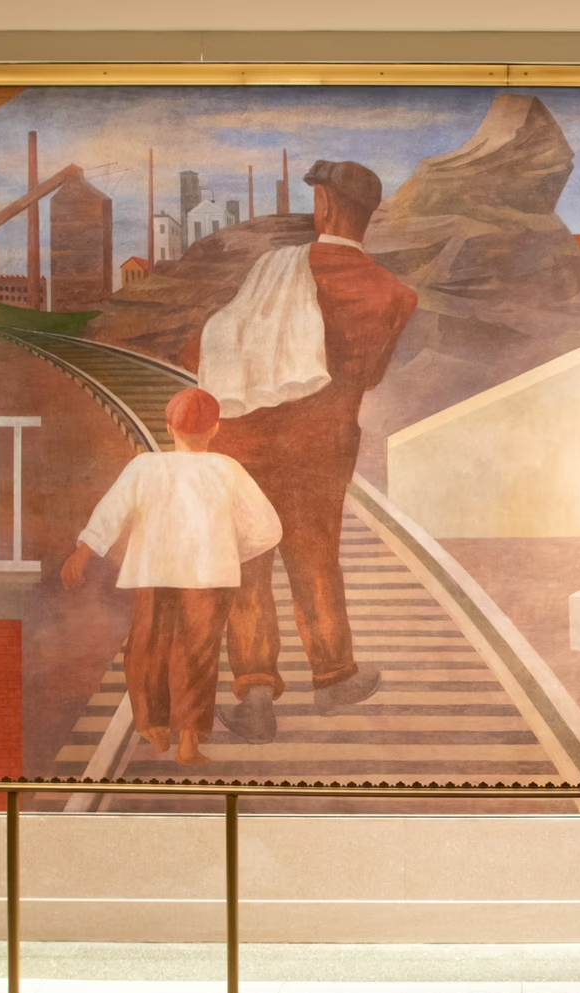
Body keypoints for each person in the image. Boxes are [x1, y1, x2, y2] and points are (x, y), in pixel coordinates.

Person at [175, 160, 417, 743]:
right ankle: (334, 679)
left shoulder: (271, 270)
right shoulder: (396, 295)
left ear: (326, 208)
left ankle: (255, 697)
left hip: (242, 444)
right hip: (322, 449)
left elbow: (196, 355)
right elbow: (372, 375)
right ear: (366, 215)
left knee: (250, 568)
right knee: (316, 557)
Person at [63, 388, 283, 768]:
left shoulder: (145, 466)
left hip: (154, 572)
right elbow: (267, 528)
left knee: (147, 647)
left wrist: (84, 550)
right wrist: (232, 552)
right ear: (214, 429)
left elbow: (111, 511)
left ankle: (152, 726)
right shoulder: (227, 468)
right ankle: (188, 744)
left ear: (168, 428)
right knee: (198, 656)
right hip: (210, 577)